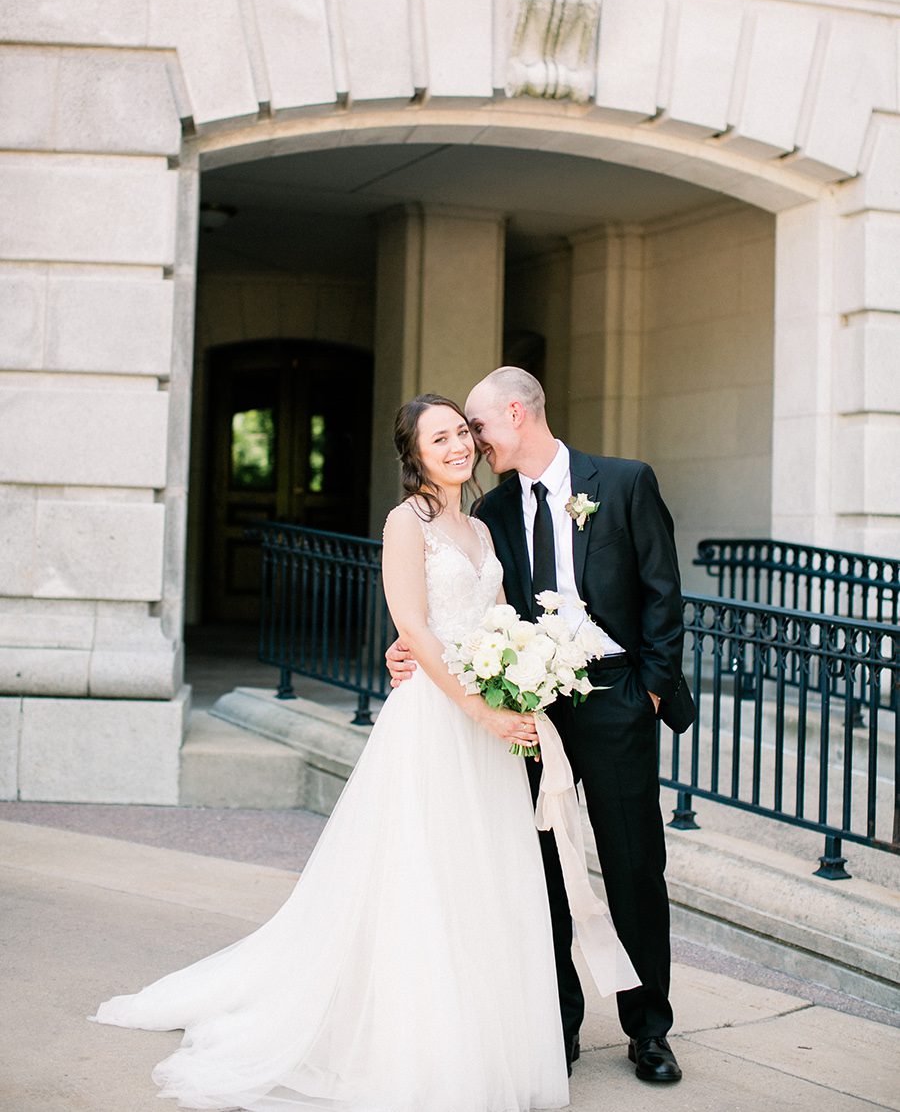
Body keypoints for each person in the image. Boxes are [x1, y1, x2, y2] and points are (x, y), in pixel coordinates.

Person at [90, 394, 574, 1112]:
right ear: (413, 454)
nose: (455, 447)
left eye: (461, 435)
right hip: (438, 725)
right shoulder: (404, 523)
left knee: (483, 881)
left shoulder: (478, 526)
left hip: (487, 731)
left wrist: (513, 680)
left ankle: (485, 1040)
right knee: (423, 878)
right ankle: (419, 1049)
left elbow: (487, 621)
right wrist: (477, 706)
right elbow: (412, 621)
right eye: (437, 438)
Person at [388, 366, 688, 1085]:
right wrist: (401, 647)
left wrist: (646, 692)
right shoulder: (487, 518)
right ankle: (557, 1023)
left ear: (515, 415)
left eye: (477, 428)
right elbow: (446, 604)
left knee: (633, 863)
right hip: (528, 710)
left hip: (617, 698)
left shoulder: (623, 483)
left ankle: (649, 1030)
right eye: (456, 433)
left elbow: (664, 595)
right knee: (538, 869)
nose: (474, 442)